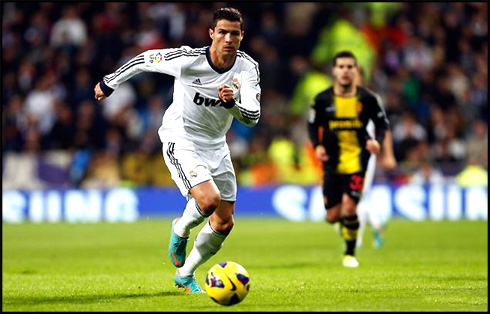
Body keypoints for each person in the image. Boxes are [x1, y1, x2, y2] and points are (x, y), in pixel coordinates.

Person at [94, 8, 261, 292]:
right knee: (208, 201)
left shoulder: (246, 68)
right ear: (211, 34)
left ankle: (185, 274)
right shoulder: (188, 60)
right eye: (222, 32)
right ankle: (181, 229)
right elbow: (144, 59)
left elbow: (253, 116)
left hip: (216, 145)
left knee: (224, 222)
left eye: (234, 33)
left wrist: (232, 104)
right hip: (181, 138)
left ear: (242, 36)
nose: (228, 38)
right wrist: (110, 82)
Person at [307, 51, 389, 267]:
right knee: (333, 216)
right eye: (341, 66)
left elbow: (382, 124)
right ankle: (349, 226)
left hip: (358, 162)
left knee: (351, 207)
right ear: (334, 71)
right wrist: (317, 146)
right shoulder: (322, 100)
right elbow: (312, 125)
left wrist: (377, 142)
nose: (345, 70)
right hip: (332, 164)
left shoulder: (368, 99)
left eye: (349, 67)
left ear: (356, 71)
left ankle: (350, 253)